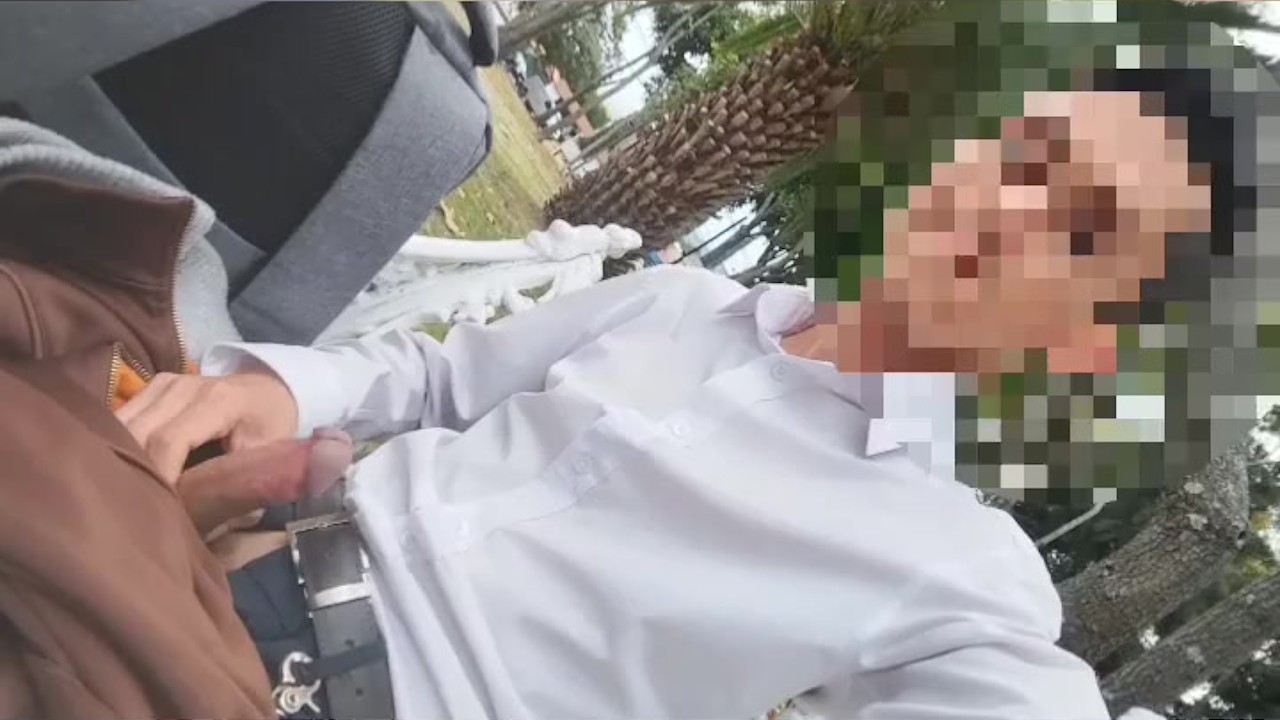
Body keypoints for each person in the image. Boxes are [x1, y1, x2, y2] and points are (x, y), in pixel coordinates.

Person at [109, 56, 1257, 719]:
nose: (1007, 213)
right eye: (1025, 159)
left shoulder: (960, 573)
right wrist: (284, 390)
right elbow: (429, 380)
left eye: (1082, 234)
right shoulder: (675, 303)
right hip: (222, 543)